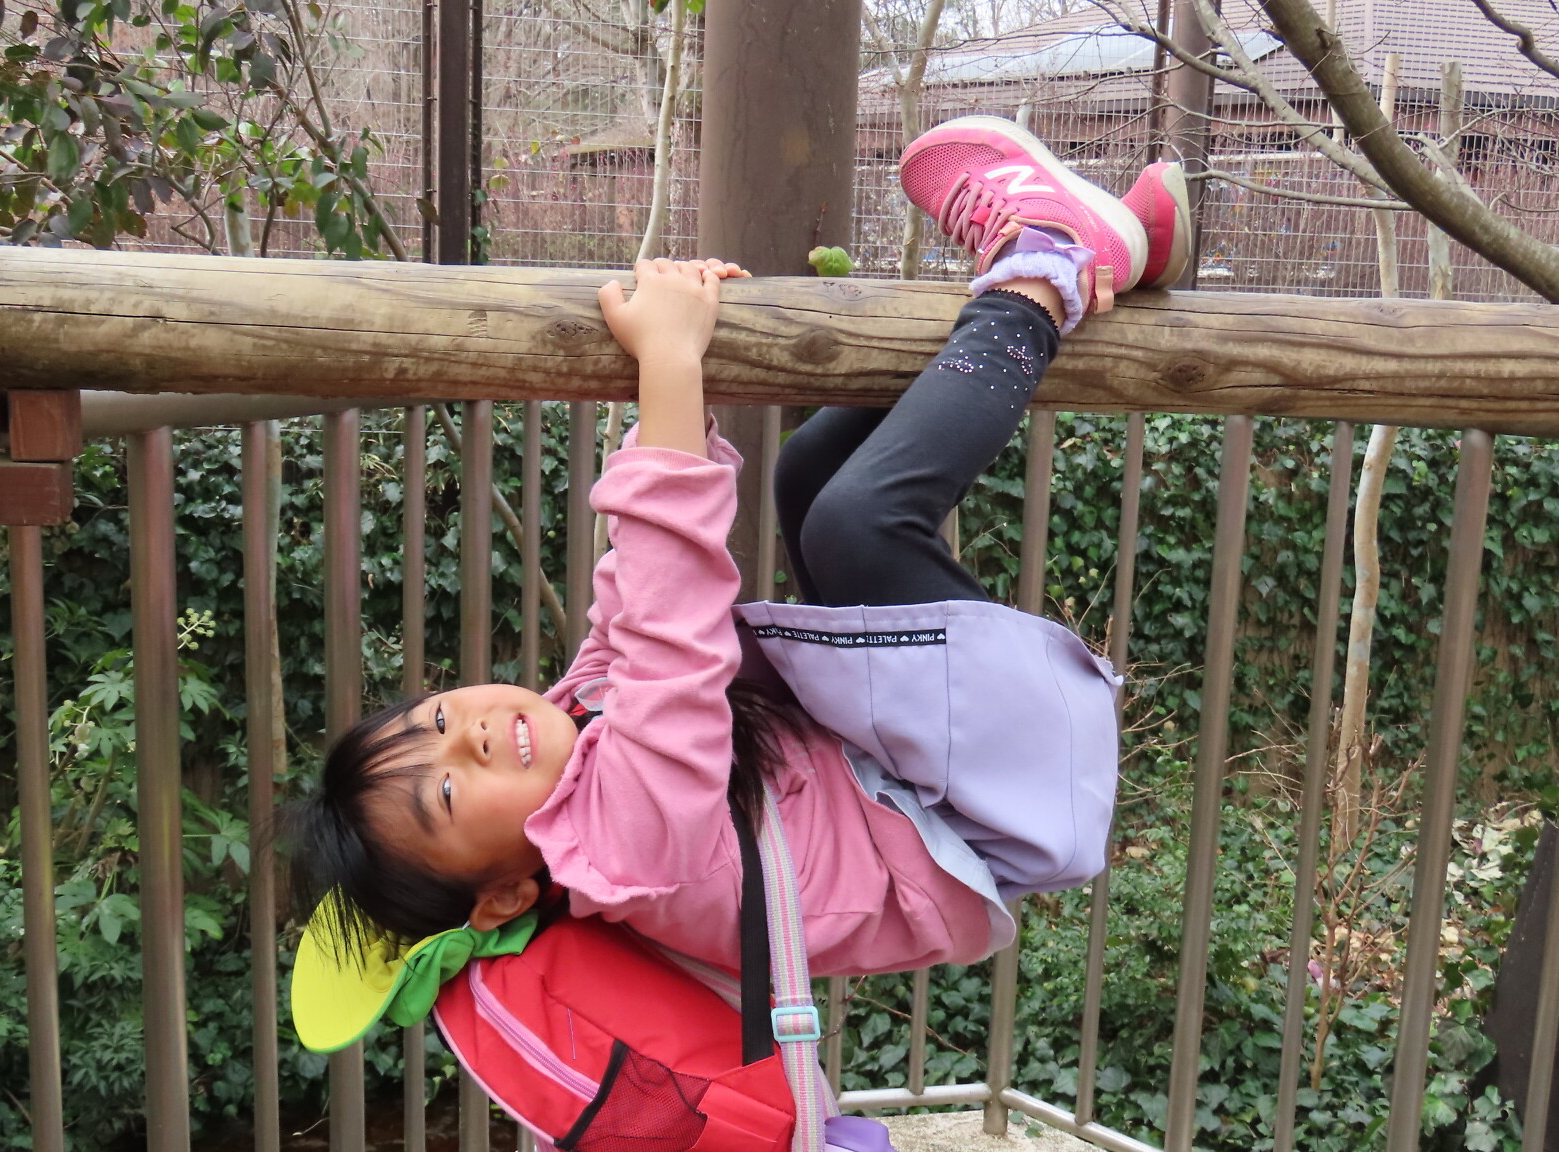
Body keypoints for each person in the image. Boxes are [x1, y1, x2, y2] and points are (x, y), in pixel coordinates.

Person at [287, 116, 1189, 1000]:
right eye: (447, 791)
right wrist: (669, 361)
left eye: (437, 718)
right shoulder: (625, 845)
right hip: (988, 811)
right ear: (503, 897)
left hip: (908, 774)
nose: (471, 735)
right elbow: (671, 625)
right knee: (857, 525)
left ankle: (1113, 254)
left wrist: (686, 388)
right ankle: (1045, 267)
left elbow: (634, 601)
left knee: (808, 477)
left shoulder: (576, 746)